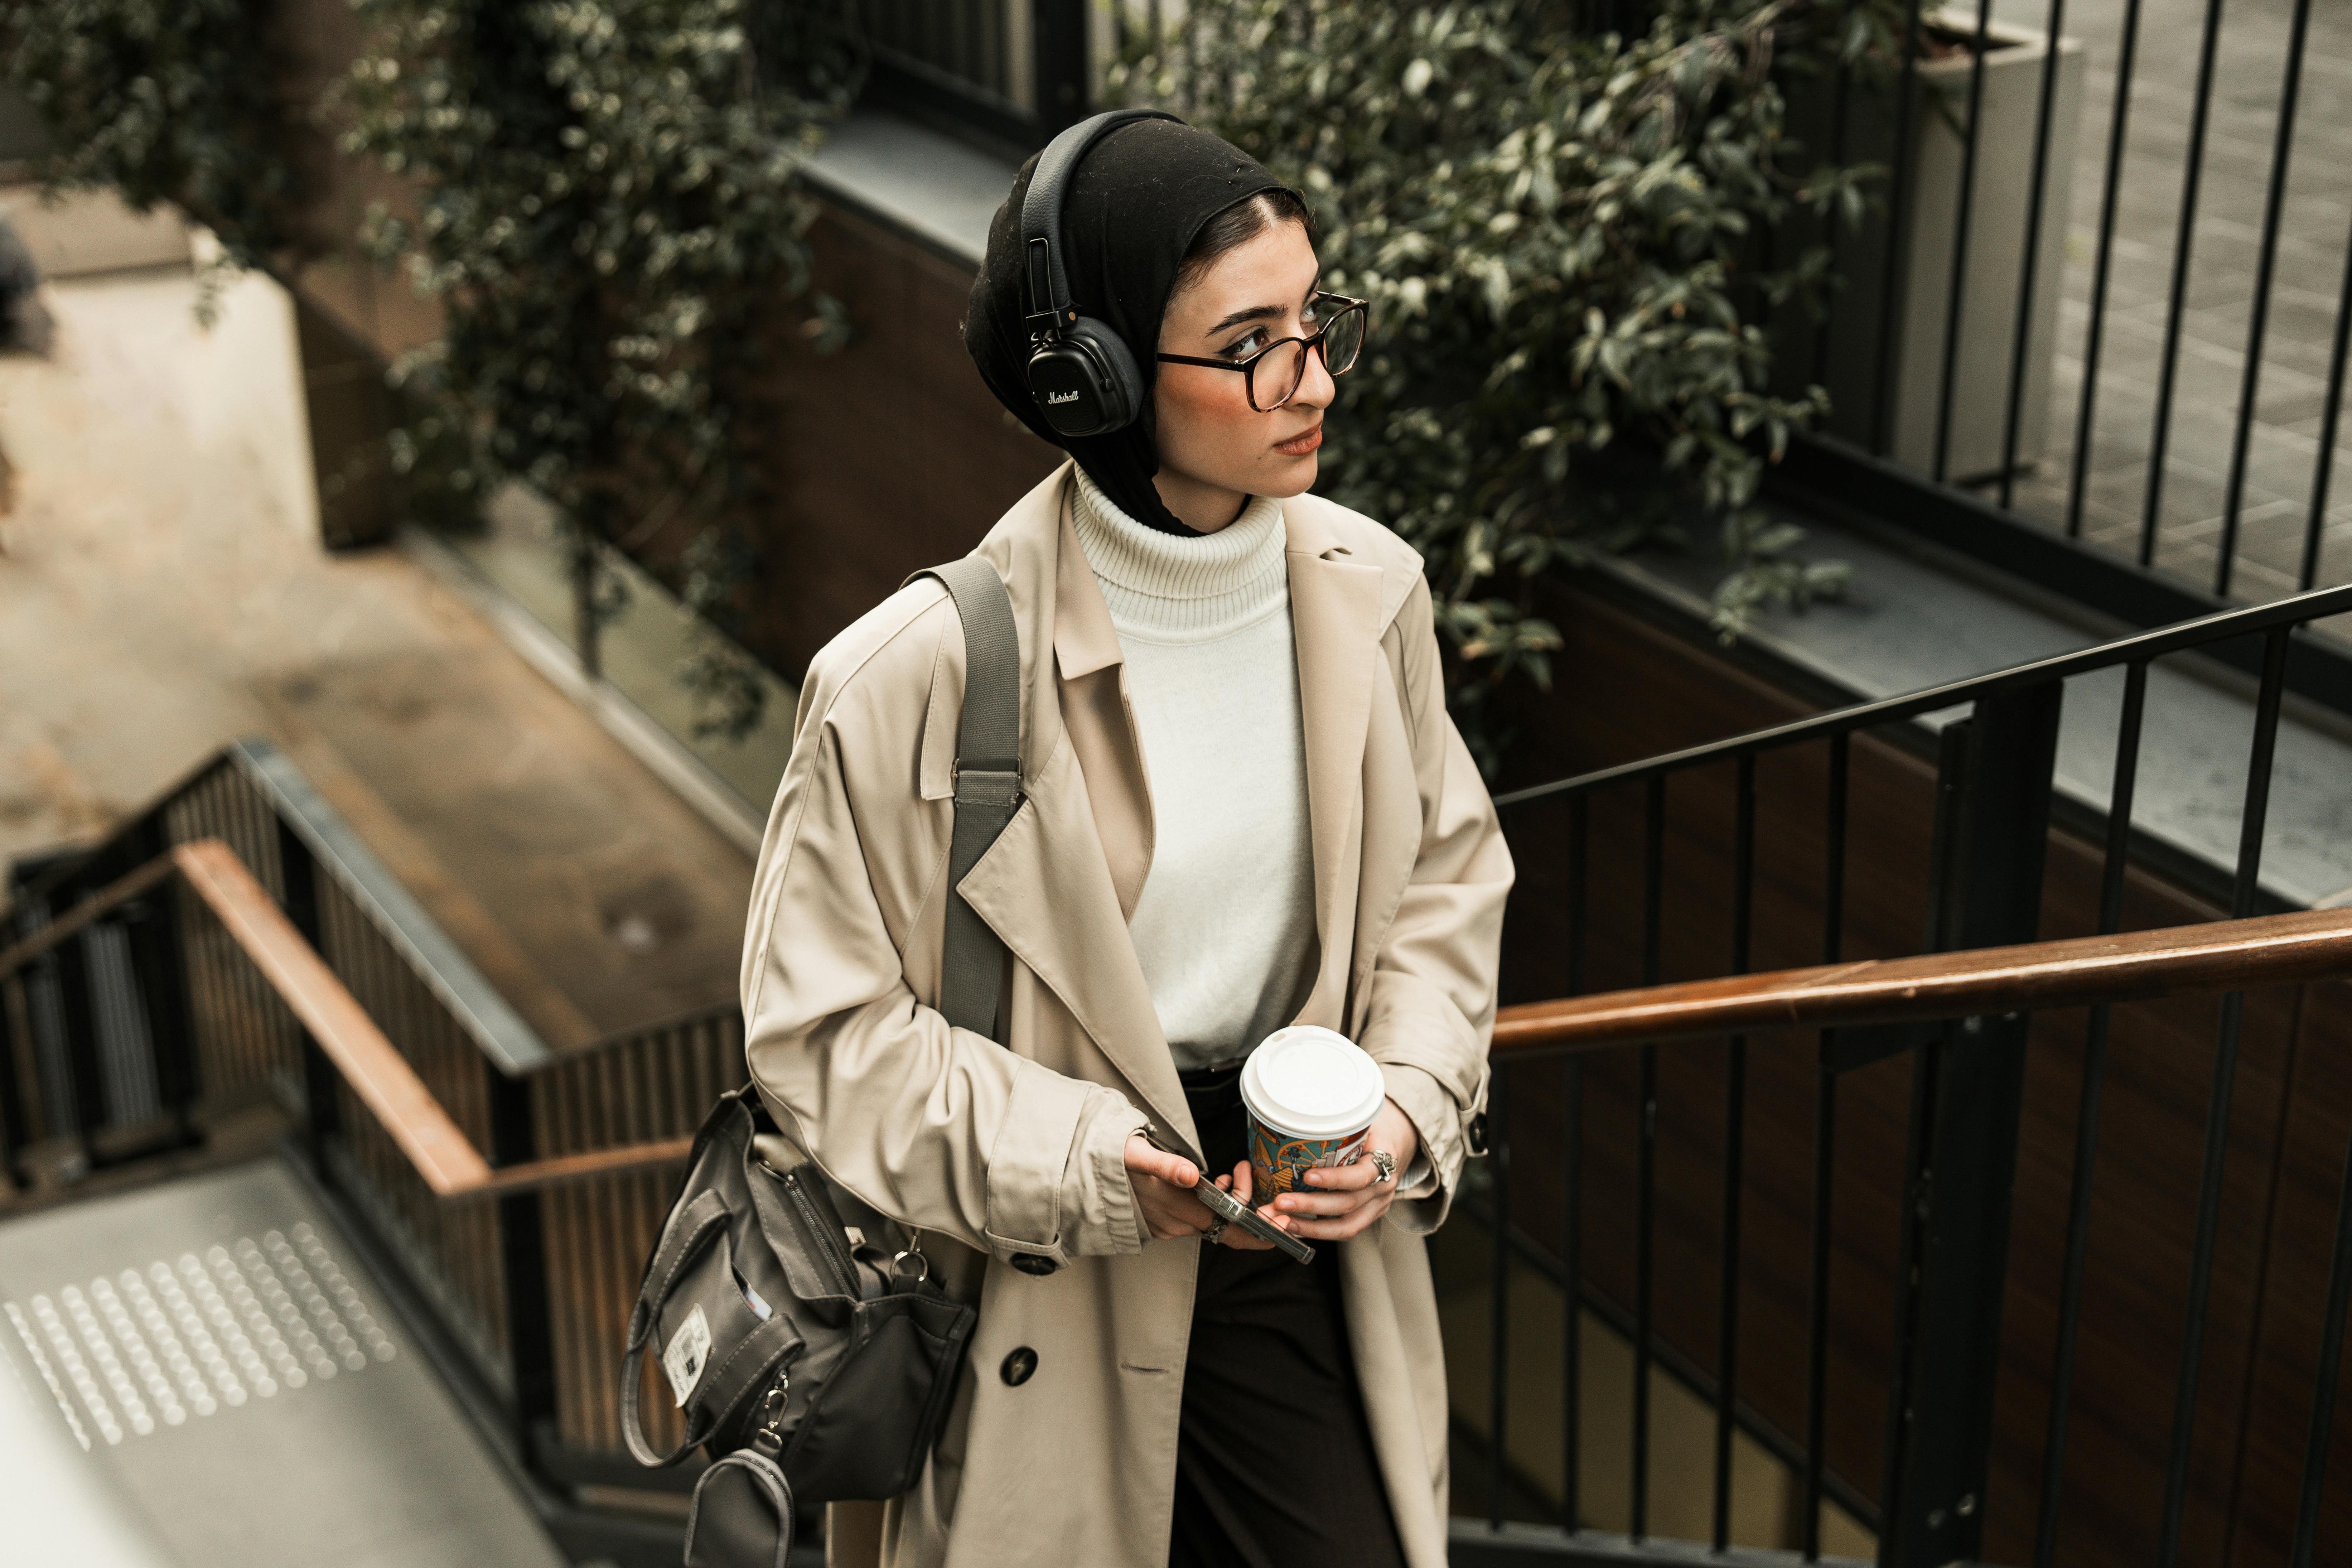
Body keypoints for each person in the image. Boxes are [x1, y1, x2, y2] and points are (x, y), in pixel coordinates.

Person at [738, 112, 1511, 1568]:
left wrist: (1404, 1099)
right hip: (1042, 1252)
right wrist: (1093, 1164)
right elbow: (822, 1038)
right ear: (1084, 376)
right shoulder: (911, 675)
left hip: (1292, 1220)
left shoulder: (1367, 589)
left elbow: (1442, 883)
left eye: (1316, 319)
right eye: (1253, 343)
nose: (1315, 379)